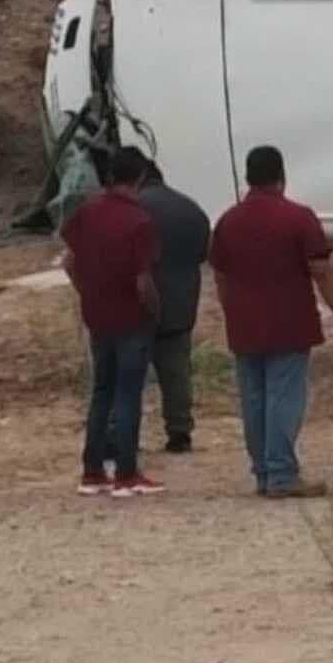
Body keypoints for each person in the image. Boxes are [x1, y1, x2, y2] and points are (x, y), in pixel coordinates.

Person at [209, 145, 333, 498]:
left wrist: (232, 310)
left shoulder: (228, 221)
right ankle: (281, 473)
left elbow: (221, 275)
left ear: (247, 177)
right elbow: (321, 270)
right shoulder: (298, 218)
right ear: (282, 176)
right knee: (284, 398)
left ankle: (262, 470)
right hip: (290, 321)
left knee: (254, 399)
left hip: (244, 324)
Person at [61, 146, 165, 498]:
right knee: (128, 394)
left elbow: (69, 260)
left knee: (101, 391)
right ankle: (126, 471)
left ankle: (92, 470)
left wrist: (85, 292)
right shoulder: (139, 221)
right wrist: (156, 311)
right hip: (131, 318)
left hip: (97, 314)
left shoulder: (87, 212)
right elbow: (143, 281)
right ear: (139, 178)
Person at [139, 162, 212, 454]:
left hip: (138, 307)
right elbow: (202, 254)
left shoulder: (133, 210)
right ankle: (179, 432)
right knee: (177, 372)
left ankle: (125, 434)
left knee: (130, 374)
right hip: (180, 306)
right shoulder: (191, 209)